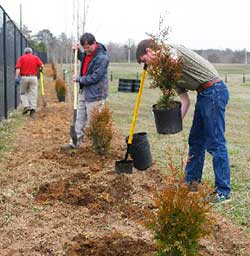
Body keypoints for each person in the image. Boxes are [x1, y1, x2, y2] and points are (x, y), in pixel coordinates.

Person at [136, 39, 231, 203]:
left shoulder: (171, 50)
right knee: (195, 141)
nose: (148, 67)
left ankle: (223, 191)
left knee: (215, 143)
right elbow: (185, 100)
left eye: (145, 61)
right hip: (204, 95)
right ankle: (191, 183)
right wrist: (174, 123)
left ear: (150, 51)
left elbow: (173, 55)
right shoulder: (169, 74)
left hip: (215, 91)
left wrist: (167, 62)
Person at [61, 32, 109, 150]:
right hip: (84, 91)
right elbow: (84, 58)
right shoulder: (88, 53)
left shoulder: (102, 58)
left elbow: (96, 76)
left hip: (96, 93)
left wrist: (79, 79)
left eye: (88, 48)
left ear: (94, 43)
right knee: (79, 118)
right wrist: (76, 52)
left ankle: (98, 146)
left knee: (94, 121)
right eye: (84, 48)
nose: (86, 50)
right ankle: (75, 142)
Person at [15, 47, 44, 119]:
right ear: (31, 52)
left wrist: (16, 77)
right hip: (34, 78)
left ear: (25, 52)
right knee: (33, 94)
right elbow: (42, 66)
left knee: (23, 93)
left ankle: (26, 105)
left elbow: (18, 68)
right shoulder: (35, 58)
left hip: (24, 77)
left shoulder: (21, 58)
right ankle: (32, 110)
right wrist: (40, 71)